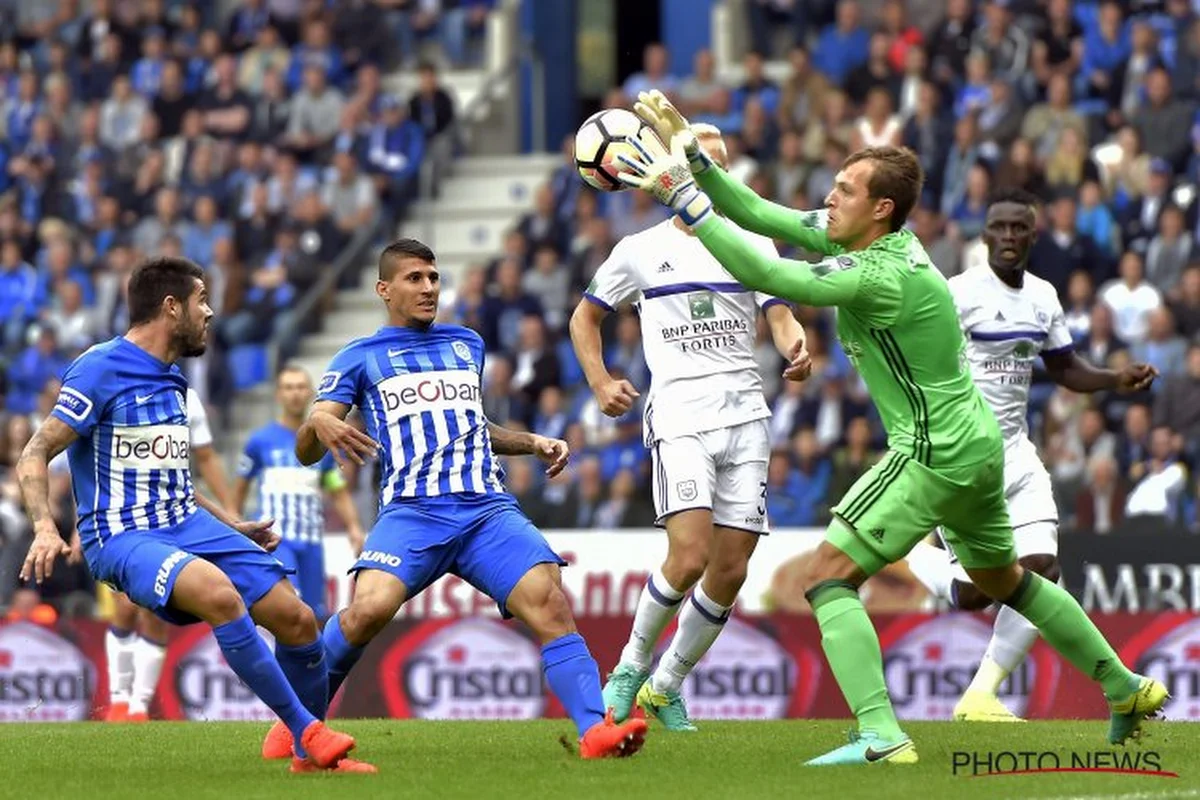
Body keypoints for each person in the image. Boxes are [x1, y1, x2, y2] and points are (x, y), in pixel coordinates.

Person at [619, 90, 1168, 766]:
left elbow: (762, 268)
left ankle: (881, 733)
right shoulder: (874, 238)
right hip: (976, 445)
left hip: (932, 449)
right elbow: (762, 215)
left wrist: (684, 200)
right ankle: (1123, 684)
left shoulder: (875, 275)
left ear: (881, 208)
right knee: (1008, 583)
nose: (830, 197)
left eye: (845, 189)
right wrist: (698, 161)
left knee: (826, 578)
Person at [258, 239, 648, 760]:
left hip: (486, 509)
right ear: (384, 289)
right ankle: (300, 725)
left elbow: (471, 426)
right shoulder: (359, 357)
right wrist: (318, 420)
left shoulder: (467, 343)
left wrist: (531, 442)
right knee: (366, 612)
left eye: (434, 278)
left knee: (550, 600)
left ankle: (593, 732)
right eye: (414, 279)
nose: (428, 288)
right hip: (412, 512)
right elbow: (310, 448)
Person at [16, 256, 373, 774]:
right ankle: (310, 734)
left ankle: (302, 751)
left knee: (296, 620)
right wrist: (46, 527)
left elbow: (175, 482)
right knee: (218, 594)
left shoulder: (176, 383)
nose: (209, 312)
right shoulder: (100, 368)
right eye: (201, 300)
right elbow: (34, 451)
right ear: (170, 306)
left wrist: (234, 525)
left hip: (187, 521)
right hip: (122, 535)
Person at [568, 123, 810, 731]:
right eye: (703, 165)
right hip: (679, 414)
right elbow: (584, 318)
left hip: (748, 415)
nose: (714, 176)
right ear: (673, 172)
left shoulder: (751, 241)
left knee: (731, 569)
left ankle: (667, 683)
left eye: (720, 168)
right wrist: (599, 381)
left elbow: (779, 310)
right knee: (689, 554)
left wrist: (795, 346)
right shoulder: (638, 250)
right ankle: (628, 667)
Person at [905, 188, 1158, 722]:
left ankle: (979, 695)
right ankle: (912, 555)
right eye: (999, 227)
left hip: (1017, 454)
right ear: (985, 235)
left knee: (1041, 569)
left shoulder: (1043, 296)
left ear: (1033, 237)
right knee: (977, 594)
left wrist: (1115, 377)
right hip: (963, 458)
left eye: (1020, 228)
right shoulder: (957, 293)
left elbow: (1064, 368)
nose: (1009, 237)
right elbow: (920, 359)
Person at [106, 386, 237, 723]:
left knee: (155, 608)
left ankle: (138, 706)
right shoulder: (116, 390)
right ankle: (118, 700)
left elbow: (205, 456)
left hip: (172, 519)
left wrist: (230, 510)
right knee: (124, 606)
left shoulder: (186, 396)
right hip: (124, 519)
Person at [234, 364, 367, 625]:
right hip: (276, 539)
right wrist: (236, 527)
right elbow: (238, 491)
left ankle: (306, 666)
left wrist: (353, 527)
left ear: (310, 394)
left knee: (315, 616)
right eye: (288, 387)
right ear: (278, 395)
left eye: (299, 387)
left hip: (312, 541)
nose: (294, 393)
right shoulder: (260, 442)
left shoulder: (321, 445)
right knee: (289, 606)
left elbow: (337, 490)